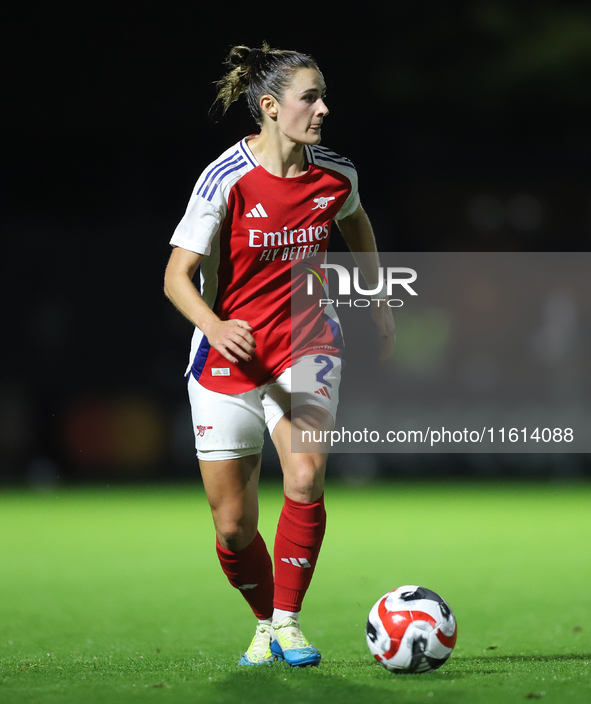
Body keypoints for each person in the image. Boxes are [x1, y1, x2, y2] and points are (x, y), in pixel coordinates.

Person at [164, 43, 395, 668]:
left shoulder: (335, 173)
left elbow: (357, 222)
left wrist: (373, 295)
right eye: (309, 97)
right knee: (234, 526)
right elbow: (176, 276)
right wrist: (215, 325)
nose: (323, 109)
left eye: (322, 96)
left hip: (308, 343)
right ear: (270, 107)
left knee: (303, 474)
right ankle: (263, 624)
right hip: (228, 360)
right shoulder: (225, 177)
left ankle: (289, 624)